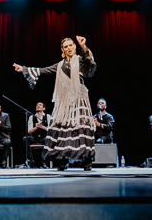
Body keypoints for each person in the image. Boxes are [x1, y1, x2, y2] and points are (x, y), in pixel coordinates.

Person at [13, 35, 97, 171]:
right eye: (66, 47)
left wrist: (84, 46)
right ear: (62, 49)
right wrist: (24, 69)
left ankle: (86, 160)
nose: (69, 48)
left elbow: (90, 65)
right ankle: (62, 160)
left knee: (81, 126)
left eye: (71, 45)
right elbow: (43, 70)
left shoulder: (80, 60)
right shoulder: (59, 65)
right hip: (64, 102)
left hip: (79, 99)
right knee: (62, 128)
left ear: (75, 46)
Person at [22, 102, 52, 168]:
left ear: (44, 108)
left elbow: (51, 129)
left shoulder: (48, 116)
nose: (38, 106)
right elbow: (29, 131)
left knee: (49, 139)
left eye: (40, 105)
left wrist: (42, 127)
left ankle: (43, 161)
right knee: (25, 139)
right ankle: (31, 161)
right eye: (37, 105)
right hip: (35, 137)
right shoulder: (31, 117)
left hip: (44, 137)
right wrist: (36, 127)